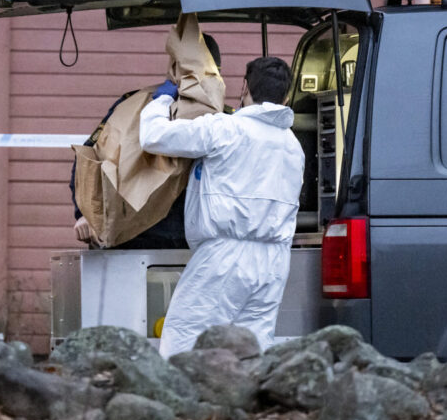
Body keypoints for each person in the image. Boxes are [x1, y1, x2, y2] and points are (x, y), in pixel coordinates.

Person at [139, 56, 304, 357]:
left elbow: (153, 138)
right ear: (286, 97)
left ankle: (181, 404)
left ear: (244, 89)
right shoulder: (293, 145)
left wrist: (161, 100)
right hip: (274, 261)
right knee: (252, 349)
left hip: (225, 257)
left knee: (185, 340)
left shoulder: (226, 129)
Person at [70, 33, 222, 249]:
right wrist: (85, 214)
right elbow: (89, 157)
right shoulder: (133, 105)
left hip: (194, 246)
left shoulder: (226, 121)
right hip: (133, 239)